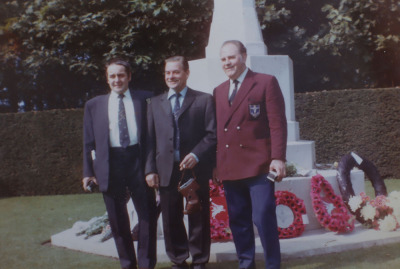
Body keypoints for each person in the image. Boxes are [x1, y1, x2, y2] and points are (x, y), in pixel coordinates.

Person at [213, 40, 287, 269]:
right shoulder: (218, 91)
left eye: (231, 57)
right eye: (223, 59)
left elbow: (277, 124)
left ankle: (273, 264)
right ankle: (246, 263)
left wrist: (278, 157)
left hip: (260, 165)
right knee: (239, 221)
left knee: (263, 217)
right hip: (230, 167)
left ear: (243, 56)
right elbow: (217, 132)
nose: (227, 62)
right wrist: (216, 165)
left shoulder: (264, 82)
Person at [82, 58, 157, 269]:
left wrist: (152, 167)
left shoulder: (147, 99)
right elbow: (88, 142)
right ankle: (127, 264)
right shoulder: (94, 105)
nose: (117, 80)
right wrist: (88, 171)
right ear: (107, 79)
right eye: (112, 76)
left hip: (138, 162)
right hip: (110, 164)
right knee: (117, 220)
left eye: (121, 75)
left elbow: (153, 137)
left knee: (147, 217)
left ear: (129, 76)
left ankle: (146, 264)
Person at [145, 56, 216, 269]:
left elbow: (212, 134)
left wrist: (196, 154)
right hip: (166, 169)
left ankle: (200, 260)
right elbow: (149, 141)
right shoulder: (155, 104)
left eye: (175, 72)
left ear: (186, 73)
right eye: (167, 72)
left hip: (195, 170)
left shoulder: (204, 100)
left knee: (198, 215)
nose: (171, 76)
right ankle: (178, 259)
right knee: (170, 218)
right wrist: (150, 169)